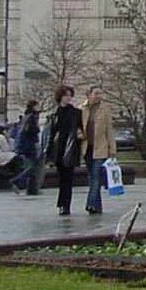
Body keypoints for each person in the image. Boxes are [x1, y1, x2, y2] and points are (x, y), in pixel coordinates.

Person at [47, 86, 84, 215]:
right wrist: (48, 153)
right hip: (58, 149)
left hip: (70, 148)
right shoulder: (54, 114)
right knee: (61, 178)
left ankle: (65, 205)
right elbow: (51, 134)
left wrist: (80, 135)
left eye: (70, 95)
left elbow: (81, 130)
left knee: (68, 178)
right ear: (60, 97)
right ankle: (62, 203)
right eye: (65, 95)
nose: (68, 98)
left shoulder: (76, 113)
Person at [81, 86, 115, 215]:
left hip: (100, 148)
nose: (98, 96)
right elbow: (78, 127)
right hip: (87, 149)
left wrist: (112, 149)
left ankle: (90, 204)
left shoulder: (105, 110)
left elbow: (109, 131)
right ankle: (97, 206)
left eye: (100, 93)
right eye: (96, 93)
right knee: (92, 178)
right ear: (89, 94)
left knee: (95, 177)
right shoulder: (82, 109)